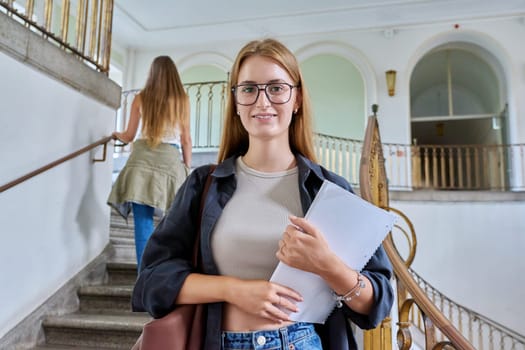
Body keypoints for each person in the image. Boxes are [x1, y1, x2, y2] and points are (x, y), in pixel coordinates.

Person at [131, 39, 393, 349]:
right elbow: (151, 281)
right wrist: (233, 290)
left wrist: (327, 265)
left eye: (277, 88)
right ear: (237, 103)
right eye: (249, 89)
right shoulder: (204, 184)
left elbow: (379, 303)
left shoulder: (330, 190)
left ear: (296, 99)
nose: (262, 101)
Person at [107, 55, 192, 268]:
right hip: (169, 162)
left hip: (141, 159)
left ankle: (144, 278)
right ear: (174, 75)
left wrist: (114, 134)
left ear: (152, 74)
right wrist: (186, 167)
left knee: (142, 224)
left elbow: (128, 135)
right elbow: (186, 139)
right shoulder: (182, 100)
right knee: (174, 221)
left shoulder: (141, 98)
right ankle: (167, 271)